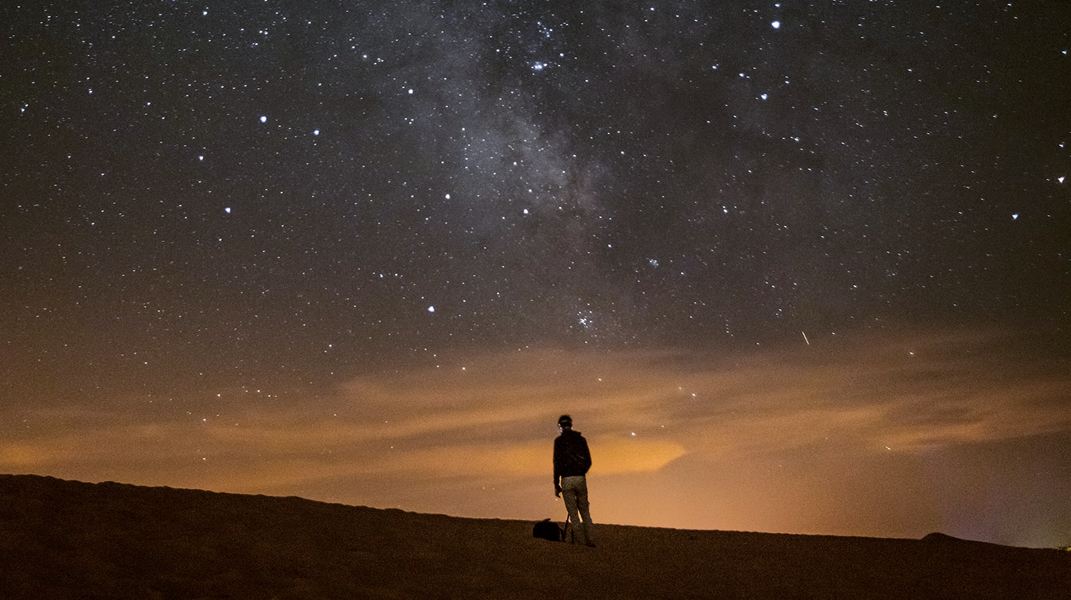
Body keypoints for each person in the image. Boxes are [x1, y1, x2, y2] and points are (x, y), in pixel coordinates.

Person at [553, 414, 594, 546]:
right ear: (571, 425)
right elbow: (588, 461)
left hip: (566, 479)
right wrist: (581, 472)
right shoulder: (581, 440)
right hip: (580, 478)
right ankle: (590, 540)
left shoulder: (558, 442)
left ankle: (581, 543)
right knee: (585, 512)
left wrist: (556, 484)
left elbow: (556, 464)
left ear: (561, 426)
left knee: (573, 514)